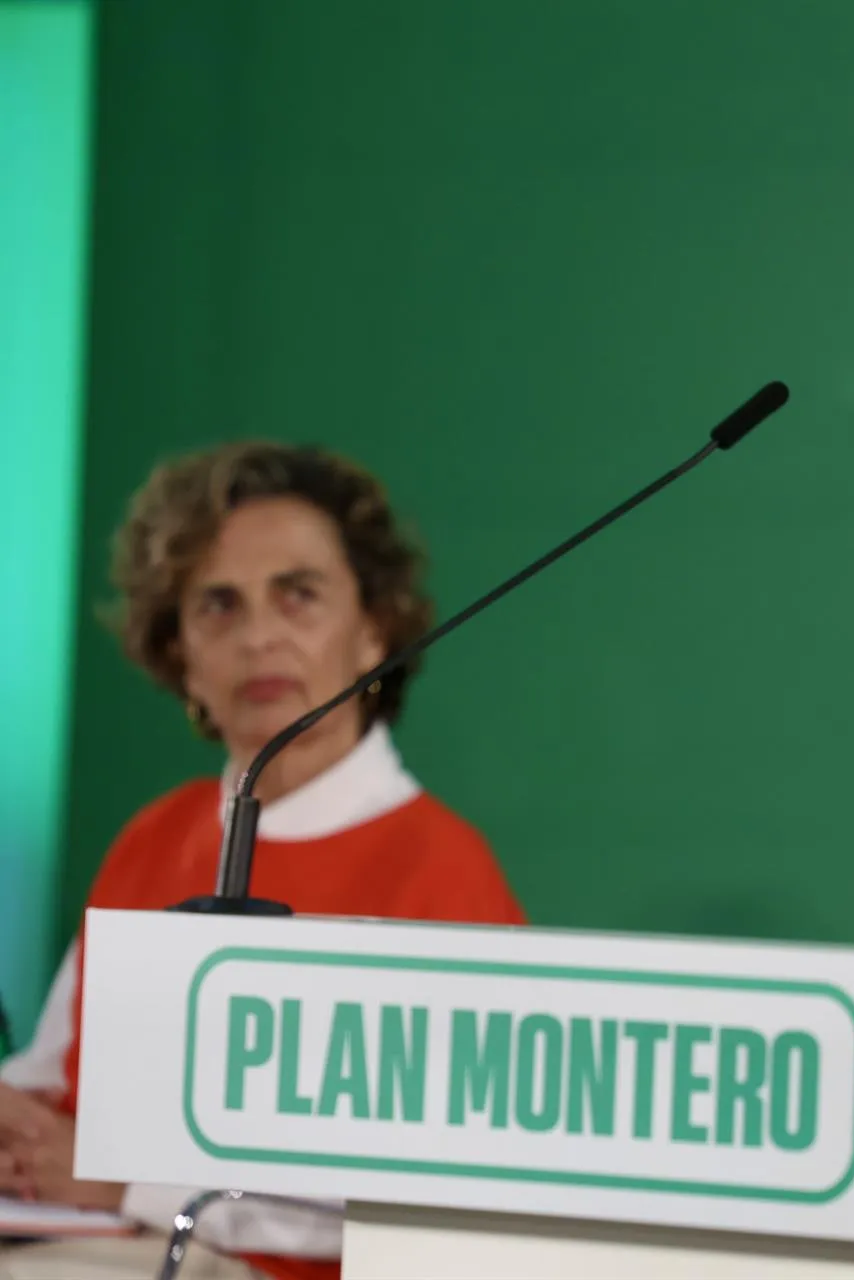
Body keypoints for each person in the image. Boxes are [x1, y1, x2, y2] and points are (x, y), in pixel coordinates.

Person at [0, 443, 527, 1280]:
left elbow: (425, 1208)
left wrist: (130, 1189)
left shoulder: (445, 872)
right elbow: (53, 1078)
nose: (259, 637)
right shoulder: (154, 834)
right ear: (180, 659)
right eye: (218, 605)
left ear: (372, 631)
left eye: (299, 596)